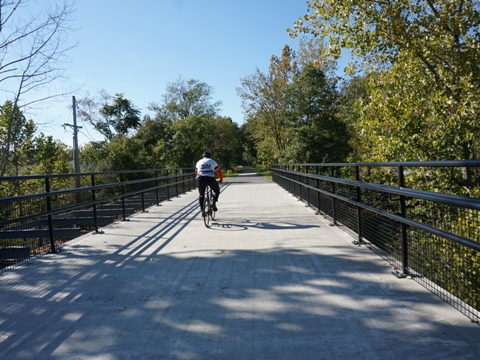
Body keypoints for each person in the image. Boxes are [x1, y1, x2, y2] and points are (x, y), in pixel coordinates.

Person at [195, 151, 223, 216]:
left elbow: (196, 172)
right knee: (216, 190)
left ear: (203, 156)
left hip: (201, 179)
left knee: (201, 194)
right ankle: (213, 202)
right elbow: (218, 171)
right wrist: (221, 179)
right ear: (210, 156)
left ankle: (202, 211)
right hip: (210, 179)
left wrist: (197, 178)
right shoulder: (212, 161)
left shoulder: (199, 162)